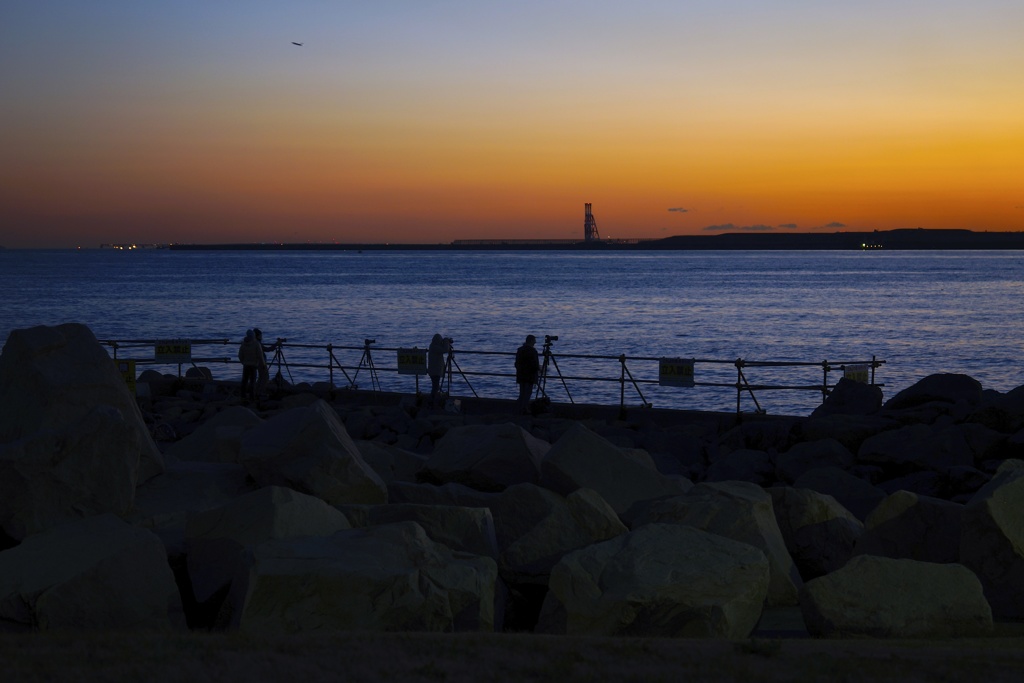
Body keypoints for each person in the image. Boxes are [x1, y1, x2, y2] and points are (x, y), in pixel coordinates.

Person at [515, 334, 540, 414]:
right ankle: (524, 409)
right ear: (532, 341)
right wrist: (539, 370)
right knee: (527, 394)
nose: (535, 342)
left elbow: (517, 363)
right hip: (530, 376)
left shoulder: (520, 350)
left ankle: (520, 408)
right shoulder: (533, 351)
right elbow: (535, 365)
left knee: (522, 393)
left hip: (521, 375)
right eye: (534, 340)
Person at [237, 329, 264, 402]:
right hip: (254, 365)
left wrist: (243, 362)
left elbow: (240, 355)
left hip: (246, 365)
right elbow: (260, 355)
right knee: (253, 381)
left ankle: (243, 396)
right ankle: (252, 396)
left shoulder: (243, 344)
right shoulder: (256, 344)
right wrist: (262, 363)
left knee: (244, 381)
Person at [427, 333, 451, 407]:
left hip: (434, 371)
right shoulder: (434, 347)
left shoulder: (433, 346)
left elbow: (443, 349)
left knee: (436, 386)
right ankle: (431, 402)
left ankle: (433, 401)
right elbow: (445, 350)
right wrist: (446, 341)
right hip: (435, 371)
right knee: (435, 387)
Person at [253, 328, 276, 398]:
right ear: (258, 336)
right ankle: (260, 392)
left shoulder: (254, 342)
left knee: (260, 377)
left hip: (256, 362)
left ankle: (257, 392)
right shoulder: (258, 343)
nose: (262, 337)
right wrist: (275, 345)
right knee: (265, 378)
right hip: (261, 363)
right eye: (260, 335)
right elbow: (267, 349)